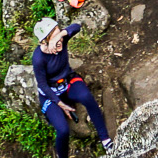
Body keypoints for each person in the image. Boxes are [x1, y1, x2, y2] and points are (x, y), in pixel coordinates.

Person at [32, 15, 109, 155]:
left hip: (68, 82)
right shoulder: (38, 58)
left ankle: (105, 139)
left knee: (86, 97)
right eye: (53, 39)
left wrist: (60, 35)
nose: (59, 42)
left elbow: (76, 26)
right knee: (63, 129)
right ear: (43, 42)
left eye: (59, 36)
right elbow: (43, 85)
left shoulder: (62, 39)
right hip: (50, 94)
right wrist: (60, 104)